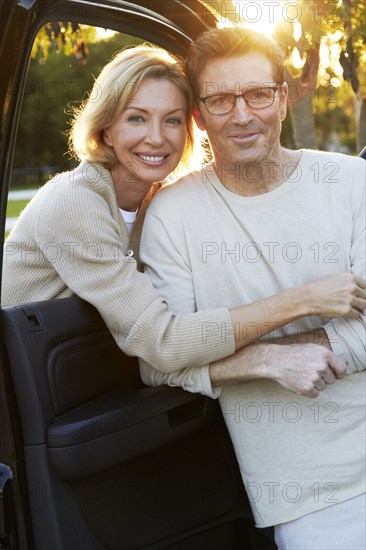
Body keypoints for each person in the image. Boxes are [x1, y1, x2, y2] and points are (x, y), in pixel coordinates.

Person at [2, 43, 361, 387]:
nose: (156, 138)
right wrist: (303, 300)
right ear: (106, 130)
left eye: (172, 120)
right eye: (136, 118)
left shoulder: (156, 201)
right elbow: (161, 340)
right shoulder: (74, 201)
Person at [138, 28, 366, 549]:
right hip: (312, 497)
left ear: (283, 98)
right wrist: (265, 361)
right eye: (220, 99)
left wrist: (259, 352)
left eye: (258, 94)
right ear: (198, 115)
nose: (242, 116)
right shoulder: (173, 215)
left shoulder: (352, 183)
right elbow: (157, 358)